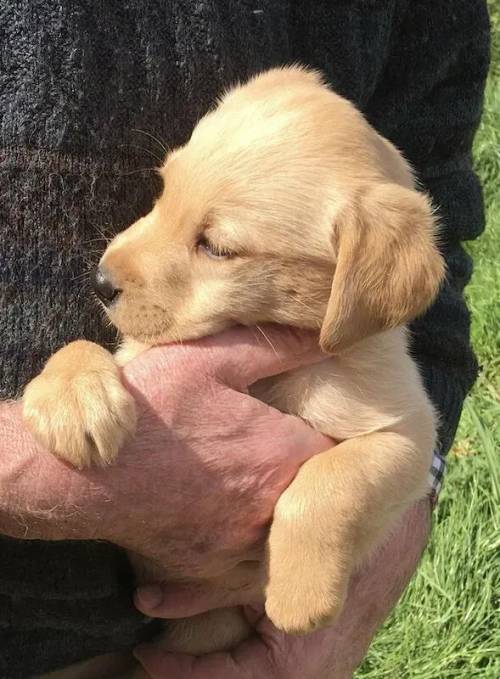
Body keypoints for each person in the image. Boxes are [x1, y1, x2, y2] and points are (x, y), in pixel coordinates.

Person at [0, 1, 489, 677]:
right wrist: (68, 378)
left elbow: (403, 443)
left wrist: (325, 529)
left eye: (215, 244)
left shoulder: (358, 334)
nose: (117, 261)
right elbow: (112, 376)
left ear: (359, 275)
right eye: (162, 195)